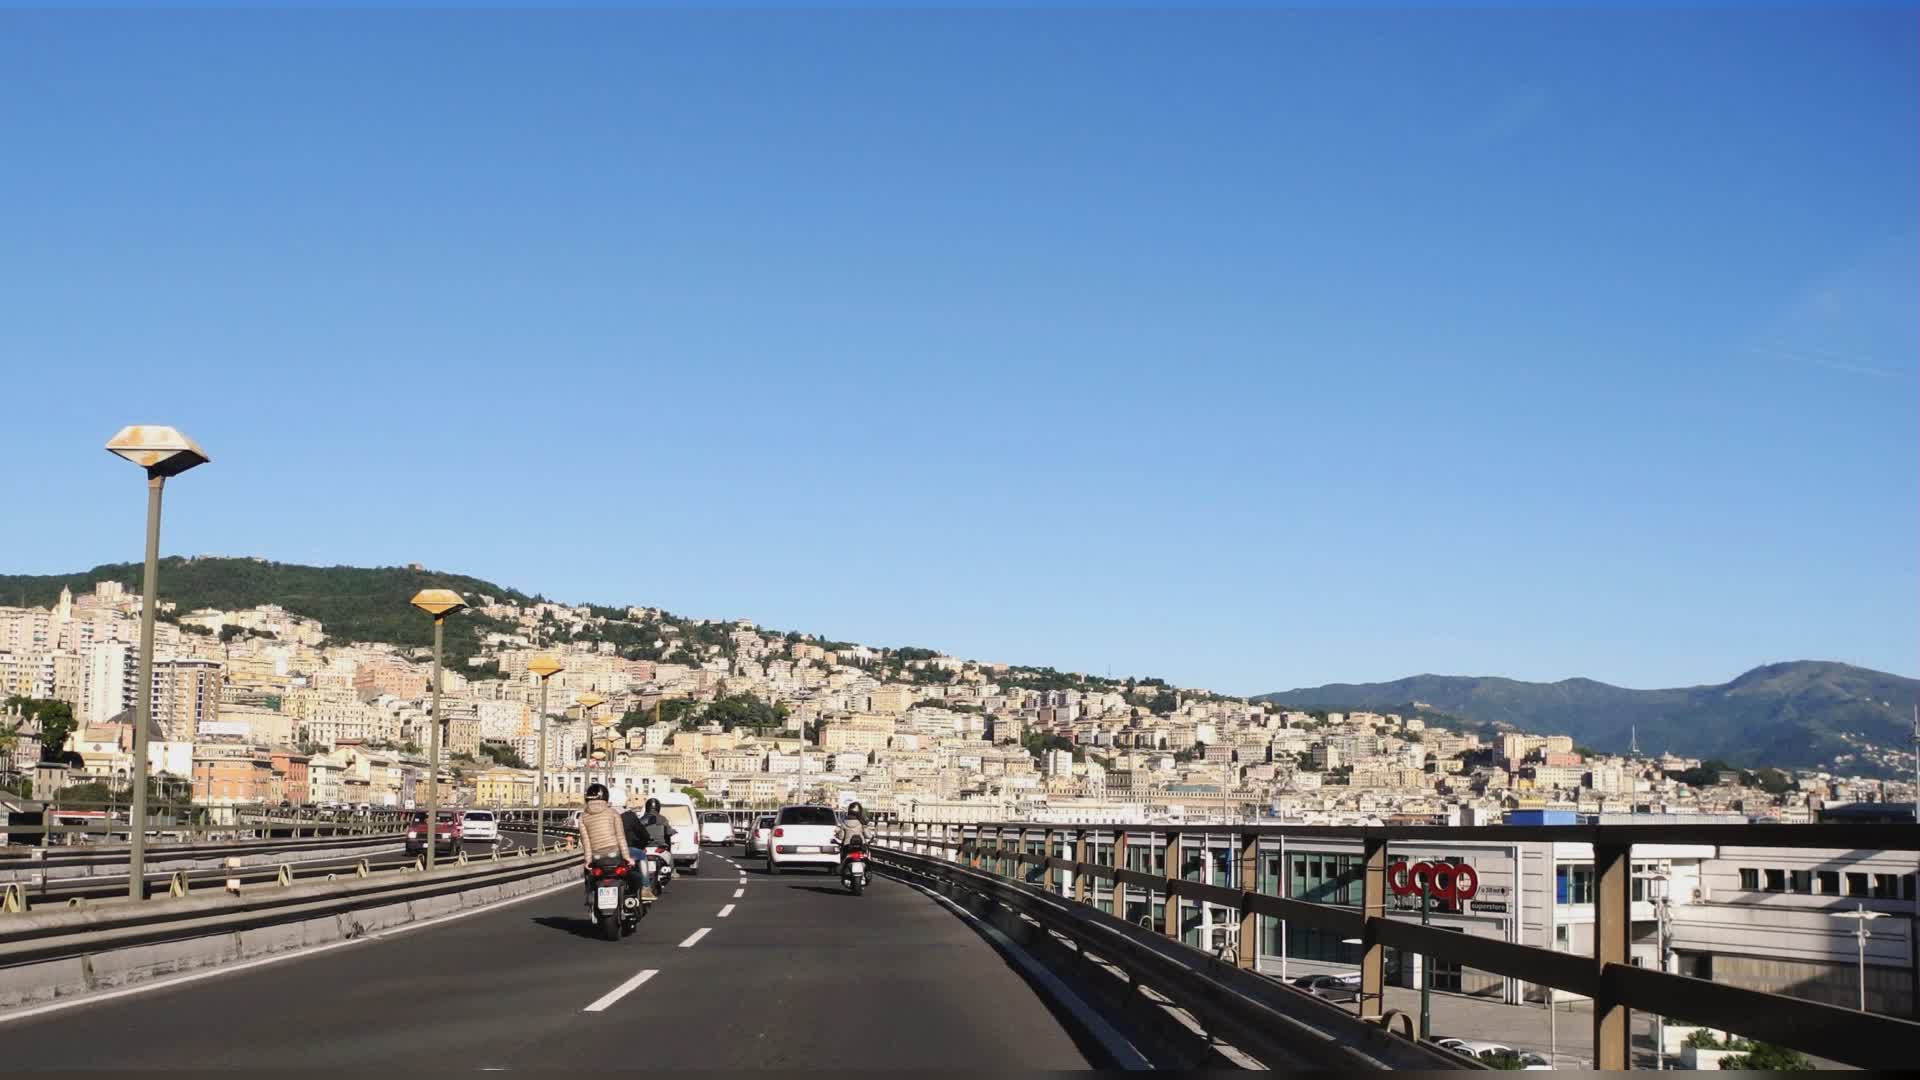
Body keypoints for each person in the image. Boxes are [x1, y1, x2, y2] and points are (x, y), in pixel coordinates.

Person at [579, 784, 636, 893]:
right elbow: (621, 838)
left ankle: (591, 899)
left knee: (590, 878)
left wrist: (588, 861)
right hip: (614, 854)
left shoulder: (583, 817)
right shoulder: (613, 813)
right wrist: (627, 858)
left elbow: (586, 842)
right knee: (631, 874)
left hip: (596, 856)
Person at [835, 801, 869, 872]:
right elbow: (867, 835)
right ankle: (867, 871)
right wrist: (872, 837)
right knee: (867, 858)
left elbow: (841, 837)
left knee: (843, 859)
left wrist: (837, 834)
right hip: (861, 845)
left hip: (847, 846)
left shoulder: (844, 822)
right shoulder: (862, 822)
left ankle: (843, 870)